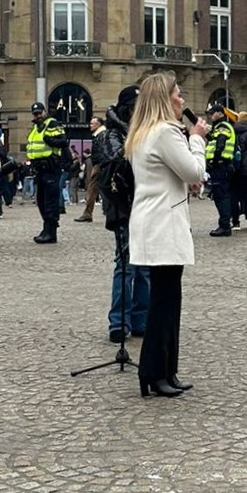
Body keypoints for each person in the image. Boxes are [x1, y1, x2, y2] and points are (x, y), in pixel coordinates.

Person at [126, 72, 207, 398]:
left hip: (154, 221)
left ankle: (165, 370)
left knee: (168, 299)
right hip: (163, 224)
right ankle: (154, 372)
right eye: (178, 94)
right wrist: (197, 138)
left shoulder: (145, 133)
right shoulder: (165, 133)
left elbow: (173, 175)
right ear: (165, 98)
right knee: (164, 302)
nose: (182, 99)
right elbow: (194, 170)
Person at [94, 85, 149, 343]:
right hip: (123, 205)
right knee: (126, 265)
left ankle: (140, 319)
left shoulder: (140, 132)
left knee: (145, 267)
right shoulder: (110, 134)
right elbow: (117, 161)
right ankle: (118, 321)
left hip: (146, 204)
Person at [26, 102, 68, 244]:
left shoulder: (52, 123)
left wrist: (50, 140)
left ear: (44, 112)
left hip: (50, 167)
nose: (37, 116)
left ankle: (51, 231)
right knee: (41, 201)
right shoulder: (36, 128)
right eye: (35, 113)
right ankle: (46, 229)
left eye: (39, 113)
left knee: (50, 202)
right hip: (40, 168)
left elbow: (63, 141)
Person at [204, 104, 237, 237]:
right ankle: (224, 224)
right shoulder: (218, 127)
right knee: (221, 195)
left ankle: (224, 226)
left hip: (220, 165)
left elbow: (220, 144)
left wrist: (215, 161)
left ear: (220, 113)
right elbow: (214, 141)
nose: (210, 116)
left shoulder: (223, 126)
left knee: (221, 196)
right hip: (222, 165)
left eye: (212, 113)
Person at [75, 114, 103, 222]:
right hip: (100, 164)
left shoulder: (101, 134)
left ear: (98, 124)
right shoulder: (98, 134)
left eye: (92, 123)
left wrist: (97, 162)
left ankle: (88, 213)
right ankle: (88, 213)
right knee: (94, 188)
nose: (90, 125)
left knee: (92, 187)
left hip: (100, 164)